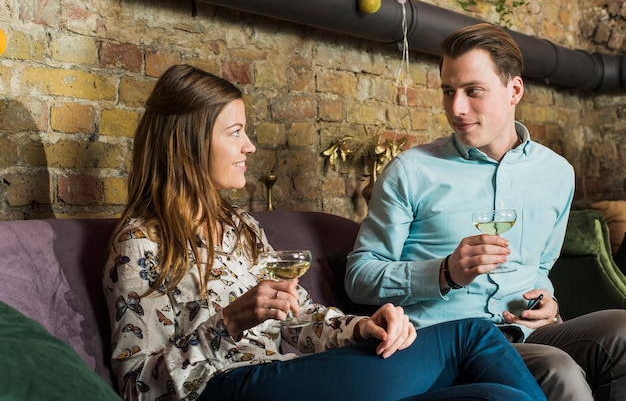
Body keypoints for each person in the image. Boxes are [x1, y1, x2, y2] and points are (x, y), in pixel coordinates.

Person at [102, 63, 547, 401]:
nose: (249, 146)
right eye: (235, 132)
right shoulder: (141, 243)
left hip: (288, 376)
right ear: (189, 142)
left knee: (497, 396)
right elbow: (137, 386)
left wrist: (361, 327)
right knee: (472, 335)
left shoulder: (240, 226)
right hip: (225, 388)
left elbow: (297, 319)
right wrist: (231, 322)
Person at [345, 22, 626, 401]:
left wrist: (548, 301)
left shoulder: (556, 173)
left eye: (473, 91)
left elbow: (539, 268)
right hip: (448, 342)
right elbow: (360, 277)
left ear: (514, 90)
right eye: (449, 92)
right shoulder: (412, 171)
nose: (456, 108)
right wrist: (444, 272)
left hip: (528, 333)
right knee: (558, 369)